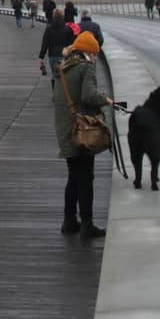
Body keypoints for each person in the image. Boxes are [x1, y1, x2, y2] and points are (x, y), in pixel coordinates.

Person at [52, 31, 108, 239]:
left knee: (74, 176)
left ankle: (69, 221)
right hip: (82, 130)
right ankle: (87, 224)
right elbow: (88, 95)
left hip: (65, 128)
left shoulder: (64, 66)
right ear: (88, 52)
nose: (95, 57)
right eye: (94, 53)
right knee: (86, 177)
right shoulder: (86, 68)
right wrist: (106, 100)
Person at [39, 11, 73, 82]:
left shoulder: (48, 28)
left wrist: (41, 56)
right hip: (64, 54)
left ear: (53, 16)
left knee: (54, 75)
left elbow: (45, 43)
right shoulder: (68, 29)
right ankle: (63, 91)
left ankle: (55, 91)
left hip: (52, 55)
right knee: (64, 74)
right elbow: (71, 43)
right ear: (63, 16)